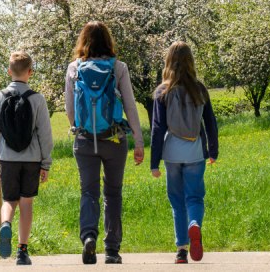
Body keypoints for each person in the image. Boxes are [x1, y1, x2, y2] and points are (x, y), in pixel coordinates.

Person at [65, 21, 144, 265]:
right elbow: (130, 106)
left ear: (83, 41)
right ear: (109, 41)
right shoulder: (118, 68)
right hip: (114, 139)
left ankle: (89, 236)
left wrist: (80, 129)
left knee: (89, 191)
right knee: (113, 193)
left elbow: (70, 109)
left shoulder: (74, 68)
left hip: (85, 140)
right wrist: (139, 142)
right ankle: (112, 249)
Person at [150, 41, 219, 264]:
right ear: (191, 62)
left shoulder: (163, 91)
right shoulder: (200, 89)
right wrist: (213, 151)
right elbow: (210, 123)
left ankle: (181, 249)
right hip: (195, 151)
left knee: (177, 201)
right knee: (195, 197)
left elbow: (158, 128)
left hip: (171, 152)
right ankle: (194, 224)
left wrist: (154, 162)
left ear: (168, 62)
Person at [0, 51, 53, 266]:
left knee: (9, 200)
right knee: (26, 203)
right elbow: (45, 135)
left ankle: (5, 223)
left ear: (9, 71)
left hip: (7, 158)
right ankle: (22, 251)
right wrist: (46, 163)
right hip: (32, 159)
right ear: (30, 72)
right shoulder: (37, 99)